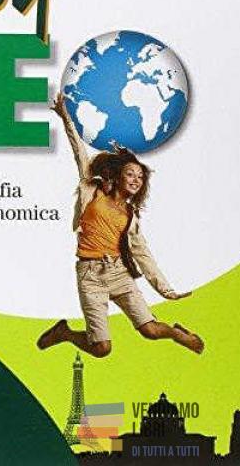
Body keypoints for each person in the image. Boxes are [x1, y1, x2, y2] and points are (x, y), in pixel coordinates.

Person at [37, 93, 204, 357]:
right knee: (101, 348)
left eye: (140, 177)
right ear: (118, 176)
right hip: (90, 275)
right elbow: (79, 151)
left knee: (150, 330)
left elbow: (142, 254)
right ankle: (65, 333)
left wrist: (166, 290)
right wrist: (66, 116)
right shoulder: (92, 190)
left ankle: (175, 333)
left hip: (119, 273)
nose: (136, 179)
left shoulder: (130, 215)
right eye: (130, 174)